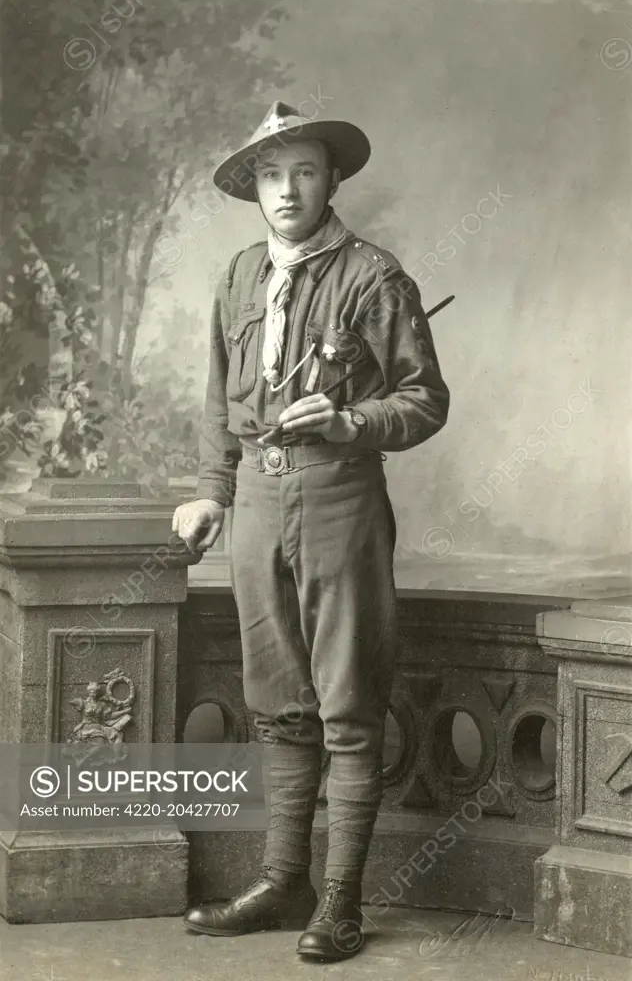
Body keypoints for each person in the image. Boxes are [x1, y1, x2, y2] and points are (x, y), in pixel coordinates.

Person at [173, 100, 449, 962]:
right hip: (256, 499)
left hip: (339, 497)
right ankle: (280, 879)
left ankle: (342, 903)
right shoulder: (236, 276)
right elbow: (223, 402)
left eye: (302, 171)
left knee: (347, 709)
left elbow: (423, 401)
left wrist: (347, 423)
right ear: (253, 188)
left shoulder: (375, 277)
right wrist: (213, 492)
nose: (286, 190)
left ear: (331, 179)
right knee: (279, 706)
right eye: (269, 174)